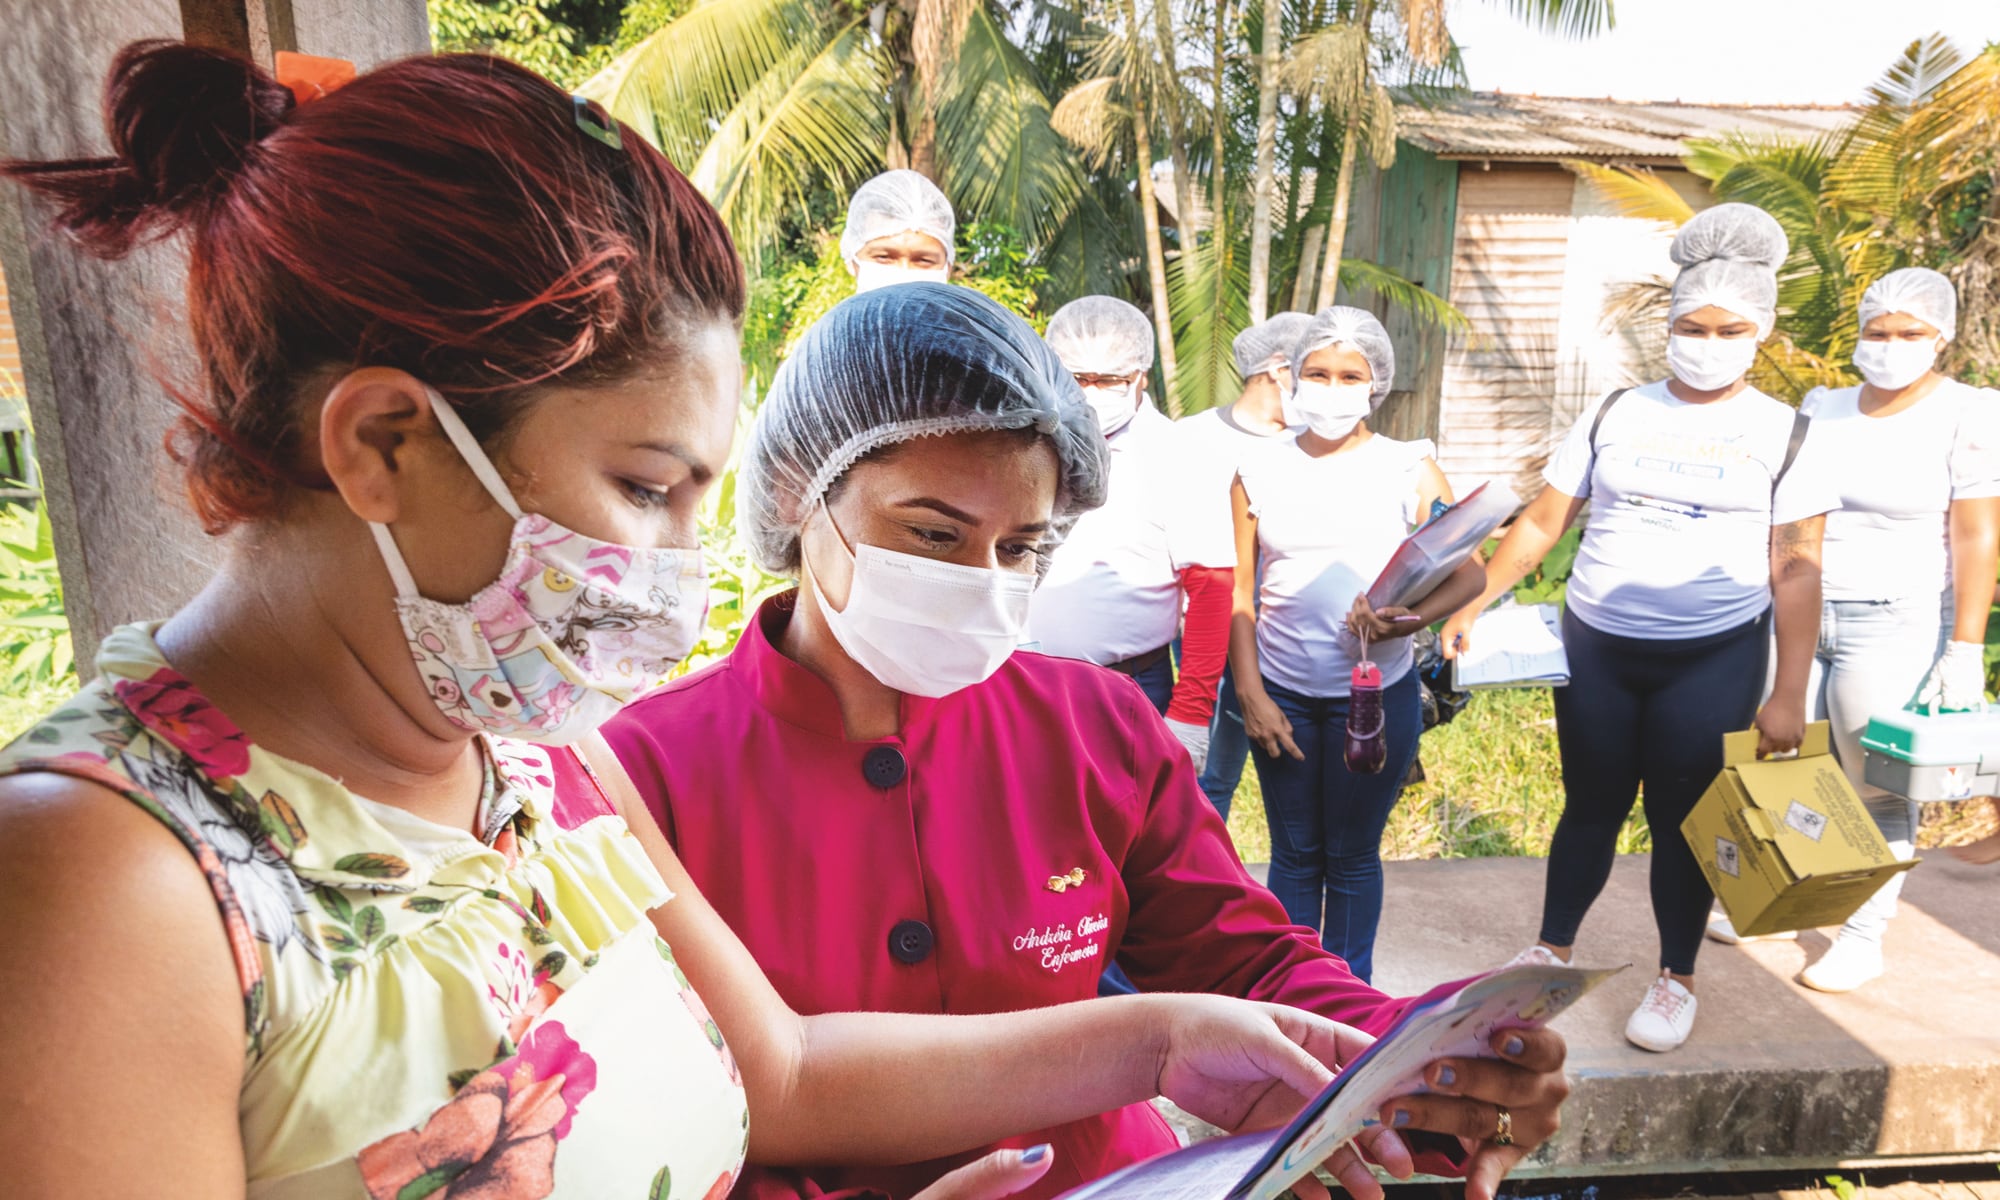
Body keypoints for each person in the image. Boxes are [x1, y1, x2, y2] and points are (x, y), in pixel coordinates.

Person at [0, 41, 1441, 1198]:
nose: (683, 568)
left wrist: (1172, 1036)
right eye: (644, 488)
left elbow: (791, 1072)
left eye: (700, 497)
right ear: (383, 442)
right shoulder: (106, 892)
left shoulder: (534, 764)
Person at [598, 283, 1572, 1200]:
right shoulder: (645, 775)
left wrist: (1419, 1053)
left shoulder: (1091, 724)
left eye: (1019, 547)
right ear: (792, 496)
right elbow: (672, 1102)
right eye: (935, 535)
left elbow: (1239, 959)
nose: (983, 579)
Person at [1441, 203, 1838, 1053]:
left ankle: (1675, 977)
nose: (1706, 340)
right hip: (1599, 647)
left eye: (1729, 328)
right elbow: (1546, 523)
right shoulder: (1616, 412)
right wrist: (1476, 597)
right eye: (1691, 325)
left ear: (1760, 331)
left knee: (1683, 818)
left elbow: (1797, 566)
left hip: (1714, 655)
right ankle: (1548, 951)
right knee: (1589, 805)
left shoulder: (1789, 432)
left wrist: (1789, 692)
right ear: (1669, 323)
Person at [1705, 267, 2000, 990]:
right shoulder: (1823, 405)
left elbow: (1976, 535)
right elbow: (1792, 514)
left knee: (1875, 779)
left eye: (1908, 334)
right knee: (1779, 756)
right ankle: (1767, 894)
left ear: (1941, 336)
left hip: (1895, 618)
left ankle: (1862, 933)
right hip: (1803, 611)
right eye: (1877, 332)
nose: (1890, 345)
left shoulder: (1969, 411)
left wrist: (1964, 648)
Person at [1228, 306, 1487, 983]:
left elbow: (1469, 571)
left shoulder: (1410, 469)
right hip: (1281, 695)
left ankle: (1346, 1003)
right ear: (1292, 378)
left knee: (1348, 856)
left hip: (1373, 702)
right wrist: (1250, 693)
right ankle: (1285, 997)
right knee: (1293, 855)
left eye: (1351, 375)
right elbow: (1240, 591)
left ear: (1376, 384)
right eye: (1317, 372)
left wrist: (1410, 620)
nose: (1332, 387)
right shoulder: (1256, 469)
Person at [1026, 296, 1232, 770]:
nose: (1092, 391)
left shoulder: (1180, 456)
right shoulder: (1030, 441)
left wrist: (1192, 713)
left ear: (1141, 375)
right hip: (1025, 678)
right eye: (1077, 378)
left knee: (1130, 835)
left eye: (1111, 380)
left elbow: (1211, 587)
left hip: (1129, 686)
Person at [1178, 312, 1315, 820]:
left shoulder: (1309, 445)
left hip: (1280, 630)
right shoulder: (1192, 438)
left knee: (1254, 770)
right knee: (1201, 767)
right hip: (1202, 625)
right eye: (1309, 371)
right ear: (1278, 369)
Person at [842, 169, 955, 293]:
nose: (904, 274)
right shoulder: (835, 313)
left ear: (947, 267)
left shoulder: (973, 311)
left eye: (924, 261)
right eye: (883, 257)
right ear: (851, 259)